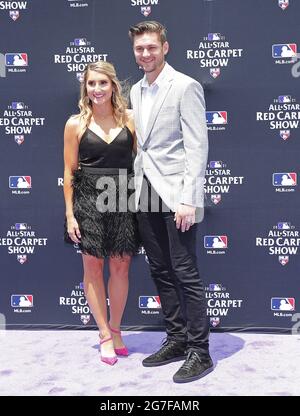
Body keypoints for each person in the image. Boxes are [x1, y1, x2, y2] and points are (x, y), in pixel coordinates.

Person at [129, 21, 213, 383]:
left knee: (185, 272)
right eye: (139, 48)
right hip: (145, 191)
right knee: (160, 270)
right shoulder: (134, 90)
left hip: (176, 194)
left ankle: (200, 351)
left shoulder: (185, 86)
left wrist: (189, 200)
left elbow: (197, 145)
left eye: (151, 47)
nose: (145, 53)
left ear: (165, 47)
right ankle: (177, 338)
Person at [63, 61, 140, 366]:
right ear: (86, 88)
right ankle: (104, 334)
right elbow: (69, 173)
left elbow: (142, 161)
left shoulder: (131, 120)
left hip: (123, 198)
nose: (97, 89)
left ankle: (117, 329)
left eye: (103, 83)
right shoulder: (75, 124)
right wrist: (70, 215)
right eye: (91, 84)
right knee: (93, 269)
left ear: (114, 86)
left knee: (121, 268)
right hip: (88, 201)